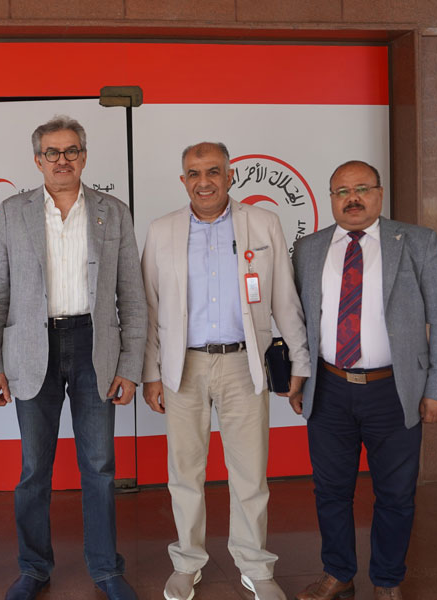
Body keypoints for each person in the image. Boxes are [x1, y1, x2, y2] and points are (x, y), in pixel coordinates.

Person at [0, 115, 146, 600]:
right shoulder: (13, 212)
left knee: (99, 466)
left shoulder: (114, 212)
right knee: (34, 469)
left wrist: (130, 367)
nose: (62, 160)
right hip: (32, 348)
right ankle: (34, 568)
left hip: (95, 345)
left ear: (84, 156)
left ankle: (106, 568)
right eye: (51, 152)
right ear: (38, 160)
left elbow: (132, 295)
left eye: (71, 150)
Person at [141, 142, 310, 600]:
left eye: (213, 171)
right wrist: (151, 372)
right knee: (185, 473)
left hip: (243, 363)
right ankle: (187, 563)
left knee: (250, 474)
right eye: (194, 173)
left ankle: (256, 566)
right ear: (183, 181)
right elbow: (150, 308)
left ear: (230, 175)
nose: (204, 182)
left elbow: (284, 298)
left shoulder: (263, 223)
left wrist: (299, 359)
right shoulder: (161, 230)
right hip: (184, 366)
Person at [290, 161, 437, 600]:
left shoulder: (417, 241)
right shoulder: (308, 248)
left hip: (394, 389)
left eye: (362, 188)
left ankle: (387, 580)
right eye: (342, 191)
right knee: (331, 491)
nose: (353, 198)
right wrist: (299, 376)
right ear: (331, 199)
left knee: (396, 494)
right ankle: (338, 573)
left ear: (379, 194)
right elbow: (299, 320)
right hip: (329, 388)